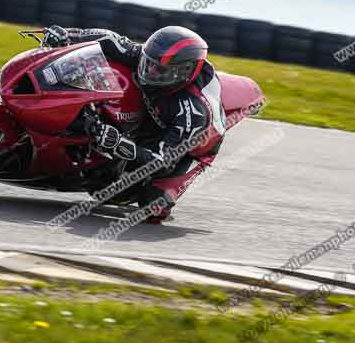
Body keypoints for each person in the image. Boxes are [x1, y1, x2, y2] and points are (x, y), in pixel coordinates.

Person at [44, 24, 227, 224]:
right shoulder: (147, 57)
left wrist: (118, 144)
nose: (150, 74)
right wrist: (67, 35)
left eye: (160, 72)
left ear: (184, 73)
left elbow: (161, 161)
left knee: (153, 207)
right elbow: (110, 40)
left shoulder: (192, 113)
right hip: (154, 116)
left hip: (187, 148)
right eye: (148, 64)